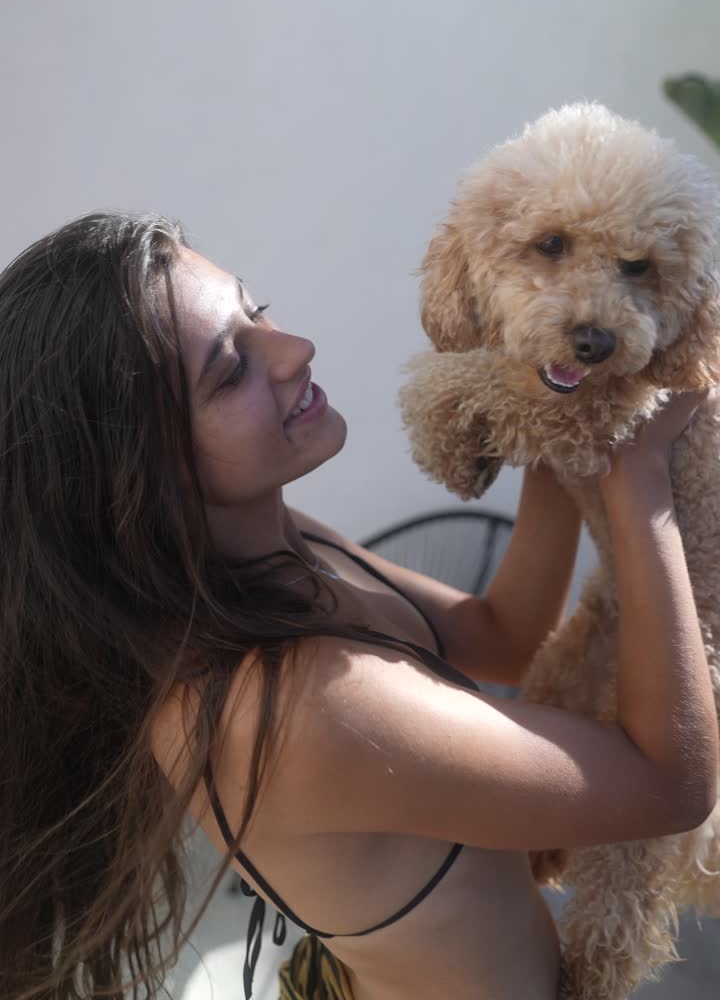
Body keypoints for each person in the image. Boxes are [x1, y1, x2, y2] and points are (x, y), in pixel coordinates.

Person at [0, 211, 715, 1000]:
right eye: (230, 371)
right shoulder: (292, 701)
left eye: (257, 309)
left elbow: (503, 635)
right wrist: (638, 472)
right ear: (137, 472)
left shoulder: (274, 544)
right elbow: (667, 787)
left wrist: (561, 401)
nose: (294, 349)